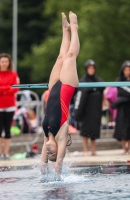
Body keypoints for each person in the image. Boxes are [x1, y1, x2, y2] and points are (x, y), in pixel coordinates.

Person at [40, 11, 80, 179]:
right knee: (70, 56)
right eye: (52, 154)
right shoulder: (61, 135)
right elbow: (60, 161)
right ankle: (75, 27)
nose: (48, 152)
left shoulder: (46, 134)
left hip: (53, 87)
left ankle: (65, 30)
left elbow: (42, 163)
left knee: (60, 57)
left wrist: (44, 168)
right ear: (58, 149)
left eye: (47, 154)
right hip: (67, 87)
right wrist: (56, 171)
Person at [75, 59, 104, 156]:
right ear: (86, 69)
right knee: (85, 131)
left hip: (95, 110)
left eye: (93, 68)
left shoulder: (98, 81)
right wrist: (78, 112)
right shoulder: (83, 81)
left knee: (94, 131)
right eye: (89, 68)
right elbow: (79, 97)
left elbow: (102, 91)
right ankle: (85, 150)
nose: (91, 70)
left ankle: (93, 150)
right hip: (86, 111)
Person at [0, 53, 20, 159]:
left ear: (9, 63)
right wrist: (7, 88)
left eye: (6, 61)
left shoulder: (13, 74)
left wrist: (3, 89)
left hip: (10, 105)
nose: (4, 63)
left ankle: (6, 152)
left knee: (7, 129)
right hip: (0, 105)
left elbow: (16, 88)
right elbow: (10, 88)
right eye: (2, 61)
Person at [112, 61, 130, 154]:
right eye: (126, 70)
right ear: (123, 70)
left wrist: (123, 98)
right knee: (122, 126)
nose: (127, 71)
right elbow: (121, 93)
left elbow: (124, 95)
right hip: (123, 108)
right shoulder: (119, 81)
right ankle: (124, 148)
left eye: (129, 70)